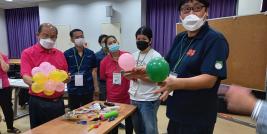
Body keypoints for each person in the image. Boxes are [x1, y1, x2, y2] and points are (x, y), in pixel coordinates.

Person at [128, 0, 229, 133]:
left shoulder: (215, 39)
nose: (191, 13)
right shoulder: (180, 38)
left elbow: (209, 79)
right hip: (176, 110)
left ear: (206, 12)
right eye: (186, 9)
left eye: (197, 8)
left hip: (198, 115)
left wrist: (176, 83)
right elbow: (166, 64)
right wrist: (147, 68)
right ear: (180, 14)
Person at [20, 23, 69, 128]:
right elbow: (25, 76)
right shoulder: (28, 53)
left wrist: (67, 79)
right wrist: (39, 84)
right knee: (40, 131)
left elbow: (63, 76)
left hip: (58, 101)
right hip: (39, 102)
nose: (49, 39)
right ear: (37, 35)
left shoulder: (60, 54)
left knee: (59, 130)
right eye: (45, 35)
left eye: (53, 37)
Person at [124, 26, 161, 134]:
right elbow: (129, 74)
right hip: (134, 97)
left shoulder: (156, 56)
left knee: (150, 129)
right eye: (138, 39)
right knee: (138, 128)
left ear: (150, 40)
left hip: (149, 98)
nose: (140, 41)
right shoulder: (133, 55)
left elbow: (157, 79)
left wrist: (138, 76)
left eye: (144, 39)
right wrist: (127, 75)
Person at [100, 35, 133, 134]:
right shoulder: (104, 62)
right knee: (113, 125)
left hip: (128, 96)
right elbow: (103, 78)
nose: (113, 44)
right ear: (106, 47)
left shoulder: (127, 56)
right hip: (112, 99)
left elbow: (134, 74)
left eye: (114, 42)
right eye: (110, 43)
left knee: (129, 123)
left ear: (118, 42)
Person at [64, 29, 99, 110]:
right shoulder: (67, 54)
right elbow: (64, 71)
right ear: (72, 39)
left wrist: (96, 87)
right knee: (74, 111)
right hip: (73, 89)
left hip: (88, 88)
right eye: (77, 37)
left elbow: (94, 71)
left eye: (82, 36)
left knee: (89, 111)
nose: (80, 38)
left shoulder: (90, 53)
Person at [0, 52, 21, 133]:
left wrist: (0, 58)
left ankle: (10, 127)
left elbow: (5, 69)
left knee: (7, 108)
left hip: (4, 86)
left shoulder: (3, 56)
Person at [95, 34, 108, 101]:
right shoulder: (97, 55)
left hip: (113, 82)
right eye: (103, 42)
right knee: (102, 101)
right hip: (102, 83)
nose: (105, 43)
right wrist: (96, 86)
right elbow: (95, 71)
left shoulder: (115, 54)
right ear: (100, 43)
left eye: (107, 41)